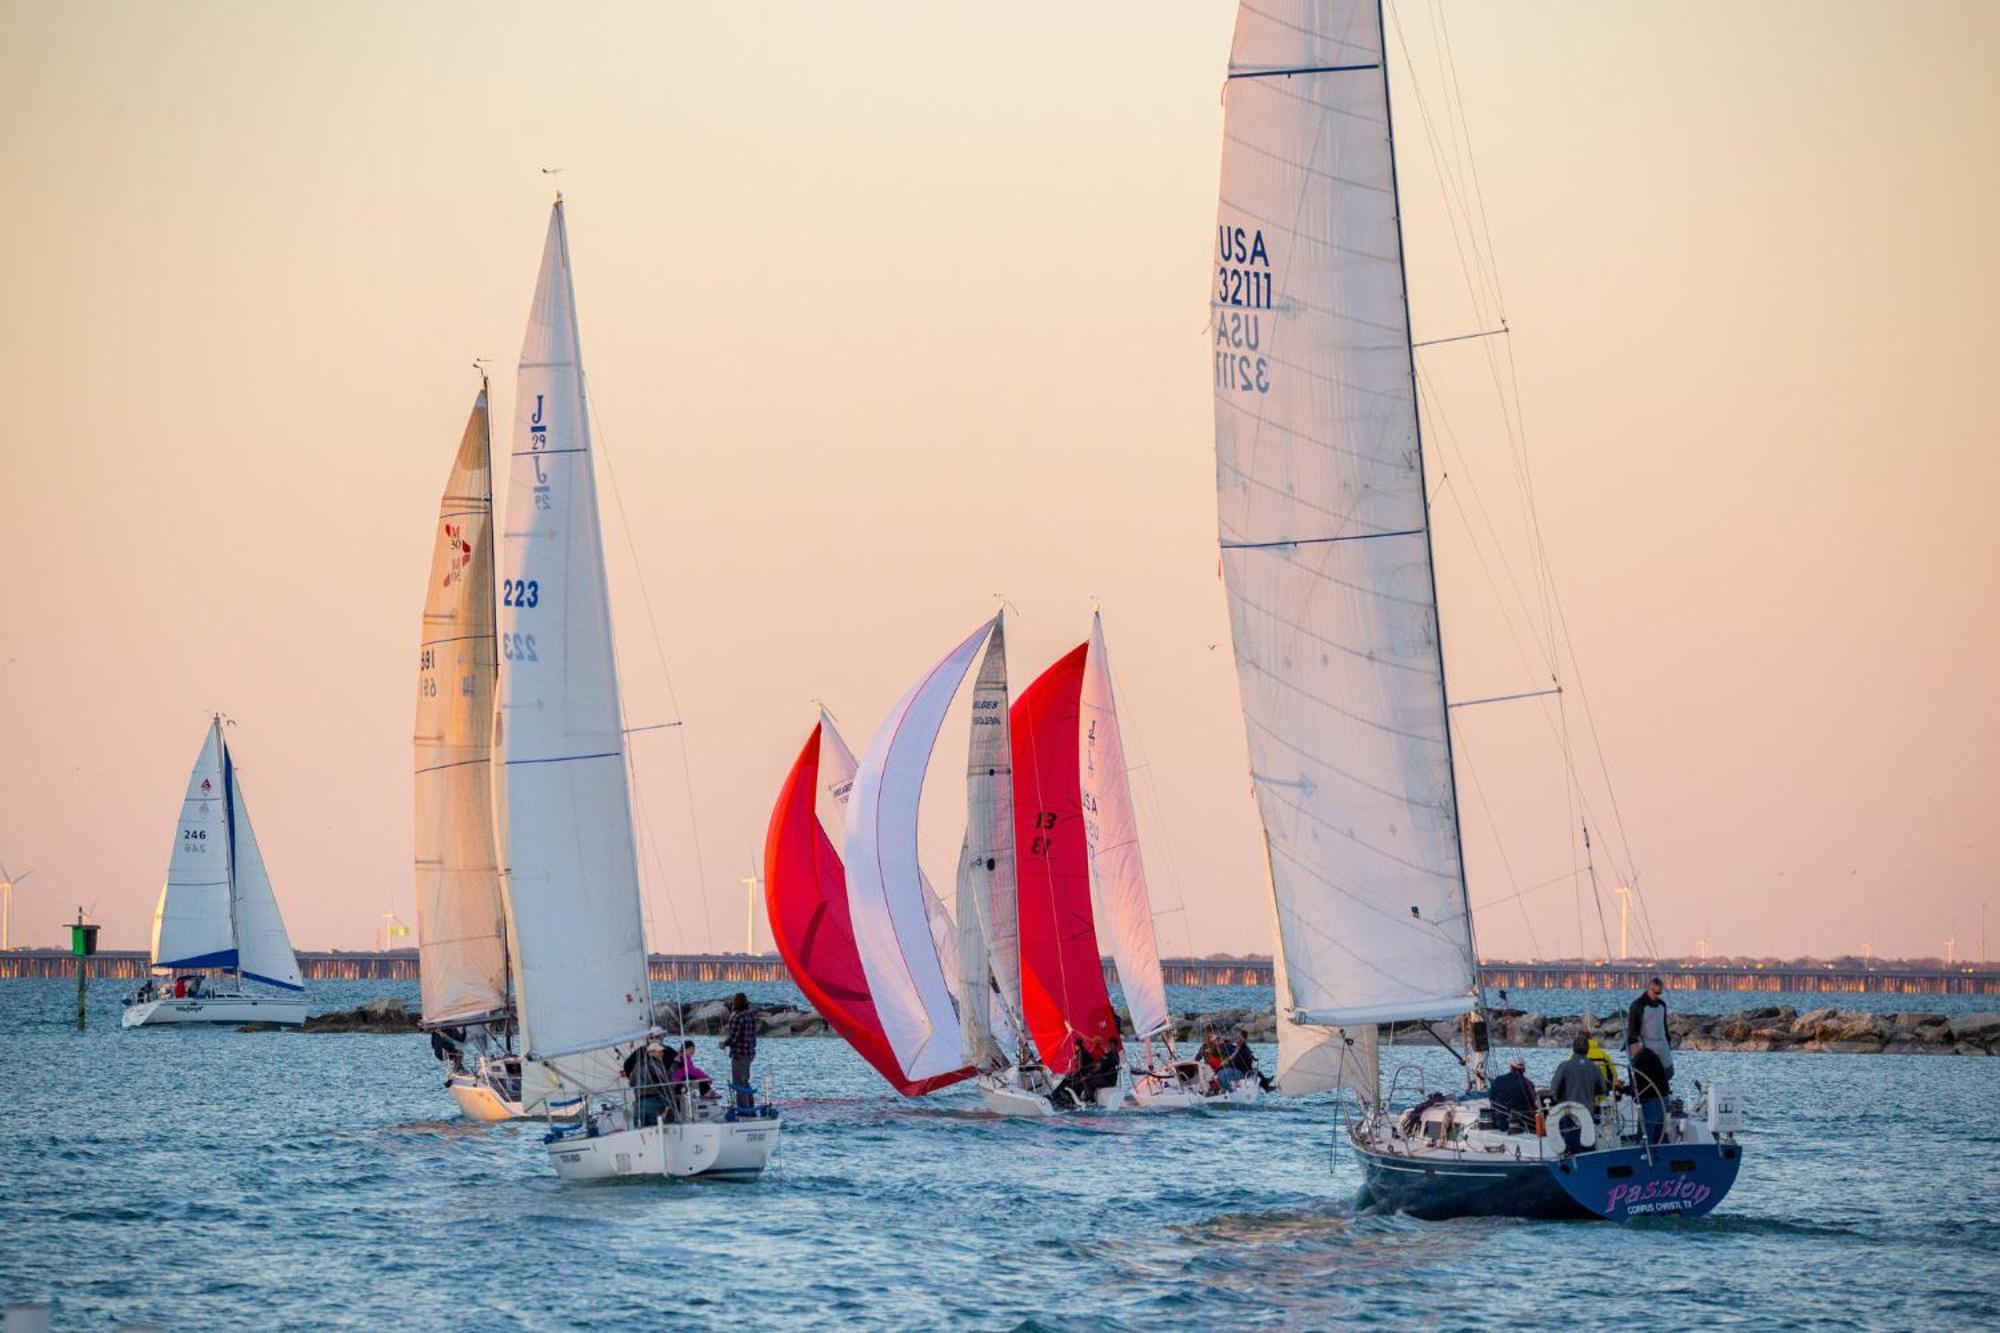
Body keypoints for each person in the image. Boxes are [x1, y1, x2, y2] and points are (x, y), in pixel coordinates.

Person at [1546, 1035, 1610, 1154]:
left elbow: (1554, 1087)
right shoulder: (1595, 1068)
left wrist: (1557, 1099)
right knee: (1588, 1146)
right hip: (1588, 1113)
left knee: (1571, 1147)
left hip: (1568, 1112)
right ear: (1587, 1049)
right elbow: (1603, 1089)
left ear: (1573, 1049)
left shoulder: (1564, 1066)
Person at [1626, 976, 1674, 1080]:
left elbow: (1664, 1025)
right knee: (1646, 1077)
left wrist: (1668, 1040)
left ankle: (1663, 1092)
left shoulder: (1662, 1005)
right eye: (1656, 993)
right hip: (1646, 1047)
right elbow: (1632, 1030)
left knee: (1669, 1072)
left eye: (1660, 993)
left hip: (1662, 1045)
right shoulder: (1637, 1005)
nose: (1658, 996)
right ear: (1649, 989)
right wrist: (1635, 1047)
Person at [720, 993, 758, 1110]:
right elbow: (753, 1035)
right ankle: (750, 1106)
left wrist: (724, 1044)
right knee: (745, 1080)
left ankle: (743, 1109)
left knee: (738, 1083)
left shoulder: (736, 1017)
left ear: (735, 1003)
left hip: (739, 1054)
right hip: (750, 1053)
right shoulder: (751, 1015)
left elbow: (734, 1037)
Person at [622, 1038, 672, 1126]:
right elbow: (666, 1080)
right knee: (657, 1130)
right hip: (655, 1103)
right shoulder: (657, 1065)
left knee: (640, 1131)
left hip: (639, 1105)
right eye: (659, 1051)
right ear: (651, 1053)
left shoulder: (637, 1066)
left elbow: (631, 1083)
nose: (662, 1054)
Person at [1630, 1041, 1671, 1145]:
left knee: (1645, 1137)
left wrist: (1623, 1090)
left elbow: (1639, 1086)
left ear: (1636, 1046)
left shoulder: (1640, 1059)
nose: (1629, 1053)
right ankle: (1664, 1157)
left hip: (1651, 1102)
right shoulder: (1650, 1055)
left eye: (1629, 1049)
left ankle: (1644, 1157)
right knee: (1660, 1135)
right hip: (1663, 1099)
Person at [1488, 1055, 1536, 1133]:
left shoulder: (1498, 1080)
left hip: (1503, 1123)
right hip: (1526, 1124)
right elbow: (1533, 1104)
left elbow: (1491, 1100)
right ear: (1524, 1069)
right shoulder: (1529, 1084)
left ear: (1510, 1067)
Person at [1225, 1027, 1273, 1093]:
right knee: (1255, 1072)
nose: (1237, 1037)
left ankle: (1266, 1085)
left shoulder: (1243, 1046)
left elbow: (1248, 1053)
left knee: (1256, 1072)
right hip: (1241, 1068)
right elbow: (1234, 1054)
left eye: (1239, 1036)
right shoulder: (1239, 1046)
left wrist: (1253, 1058)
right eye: (1238, 1036)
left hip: (1244, 1067)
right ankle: (1266, 1085)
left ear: (1243, 1038)